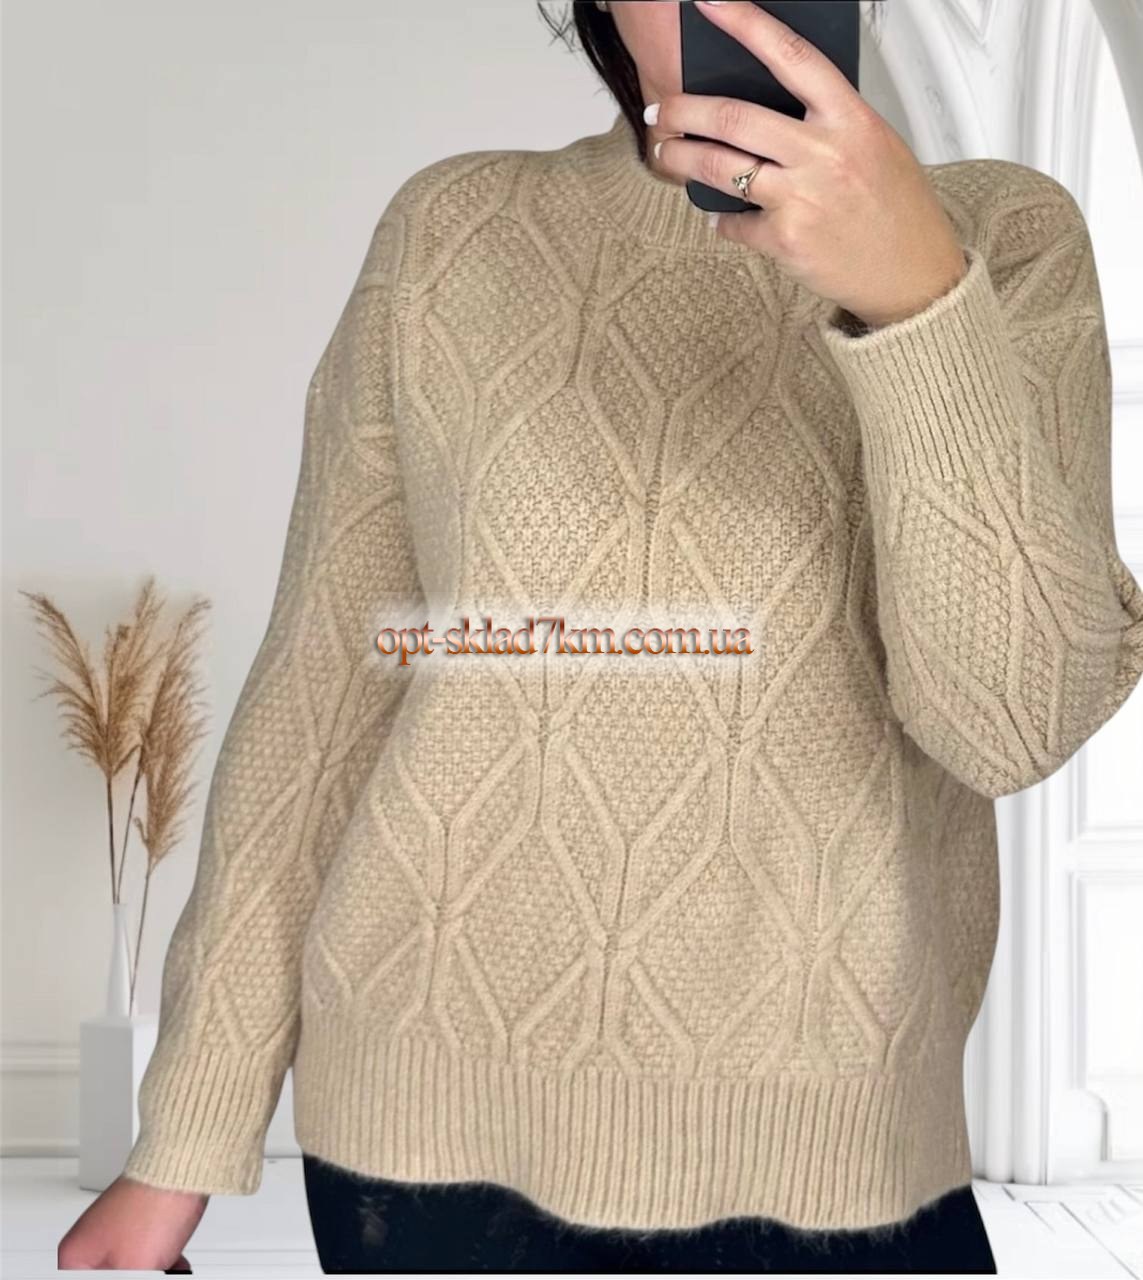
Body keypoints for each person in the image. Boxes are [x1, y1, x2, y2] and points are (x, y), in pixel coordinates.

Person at [59, 0, 1143, 1273]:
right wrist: (183, 1134)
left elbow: (1010, 725)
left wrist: (914, 301)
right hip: (421, 1139)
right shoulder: (452, 231)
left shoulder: (1003, 236)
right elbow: (320, 698)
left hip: (832, 1147)